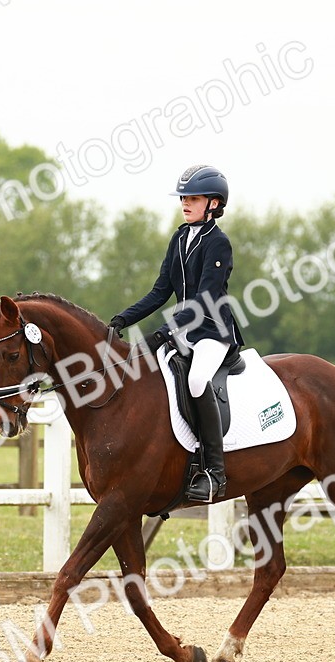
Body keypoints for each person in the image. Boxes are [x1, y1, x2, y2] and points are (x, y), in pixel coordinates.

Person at [108, 164, 243, 503]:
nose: (185, 204)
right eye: (183, 198)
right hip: (184, 329)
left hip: (212, 330)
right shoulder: (180, 237)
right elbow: (160, 292)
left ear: (213, 204)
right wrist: (122, 320)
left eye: (193, 198)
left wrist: (167, 331)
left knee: (197, 380)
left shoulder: (219, 244)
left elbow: (205, 298)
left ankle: (215, 471)